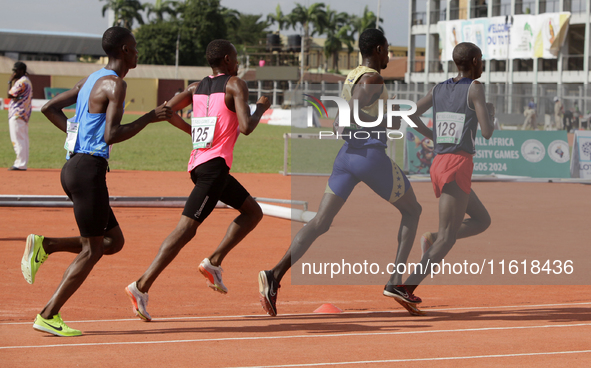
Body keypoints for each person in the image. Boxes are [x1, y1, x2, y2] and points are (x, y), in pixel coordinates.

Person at [258, 29, 429, 317]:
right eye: (387, 50)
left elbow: (348, 116)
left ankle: (274, 275)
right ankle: (396, 283)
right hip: (369, 156)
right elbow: (351, 113)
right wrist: (385, 116)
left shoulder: (354, 75)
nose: (389, 56)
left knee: (320, 222)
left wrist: (382, 114)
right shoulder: (372, 78)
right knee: (413, 211)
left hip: (347, 157)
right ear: (377, 49)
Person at [20, 26, 172, 337]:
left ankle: (45, 245)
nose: (138, 52)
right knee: (92, 250)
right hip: (87, 170)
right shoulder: (116, 85)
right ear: (125, 51)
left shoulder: (90, 80)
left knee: (112, 241)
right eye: (135, 47)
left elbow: (49, 108)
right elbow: (111, 134)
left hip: (75, 167)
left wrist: (77, 138)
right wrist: (148, 117)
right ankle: (48, 314)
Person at [125, 39, 270, 322]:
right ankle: (141, 286)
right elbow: (246, 127)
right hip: (213, 169)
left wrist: (191, 131)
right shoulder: (235, 84)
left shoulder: (195, 87)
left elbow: (166, 110)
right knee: (185, 230)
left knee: (253, 212)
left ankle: (213, 262)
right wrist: (261, 107)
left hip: (201, 166)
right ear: (227, 59)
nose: (238, 63)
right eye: (237, 58)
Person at [396, 42, 494, 315]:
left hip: (440, 163)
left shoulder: (439, 88)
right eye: (482, 60)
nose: (483, 64)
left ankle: (434, 237)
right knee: (449, 238)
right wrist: (491, 113)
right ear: (474, 61)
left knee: (482, 220)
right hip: (457, 163)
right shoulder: (475, 88)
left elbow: (410, 113)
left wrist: (432, 136)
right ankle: (407, 288)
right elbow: (486, 132)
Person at [7, 61, 33, 171]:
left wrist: (10, 81)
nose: (14, 73)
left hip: (17, 114)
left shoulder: (21, 82)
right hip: (24, 114)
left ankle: (20, 164)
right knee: (23, 140)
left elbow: (9, 94)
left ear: (21, 70)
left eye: (15, 70)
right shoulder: (27, 81)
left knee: (18, 139)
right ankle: (22, 162)